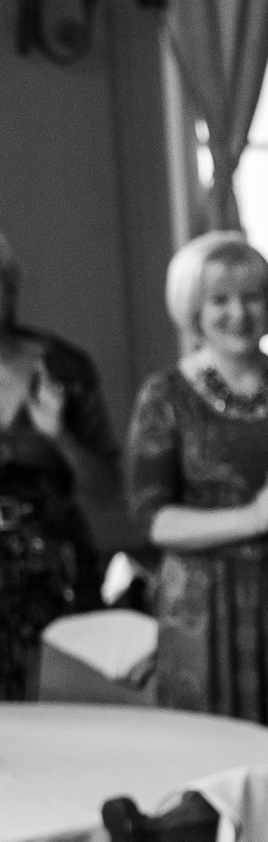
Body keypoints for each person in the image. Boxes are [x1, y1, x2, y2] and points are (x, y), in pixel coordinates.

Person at [127, 233, 268, 764]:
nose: (238, 314)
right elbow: (152, 520)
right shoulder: (165, 396)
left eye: (252, 297)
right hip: (204, 614)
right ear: (194, 309)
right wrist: (252, 518)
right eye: (220, 300)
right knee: (214, 764)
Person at [0, 229, 113, 699]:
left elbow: (107, 489)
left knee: (63, 714)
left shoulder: (64, 368)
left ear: (11, 288)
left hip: (56, 578)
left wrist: (59, 437)